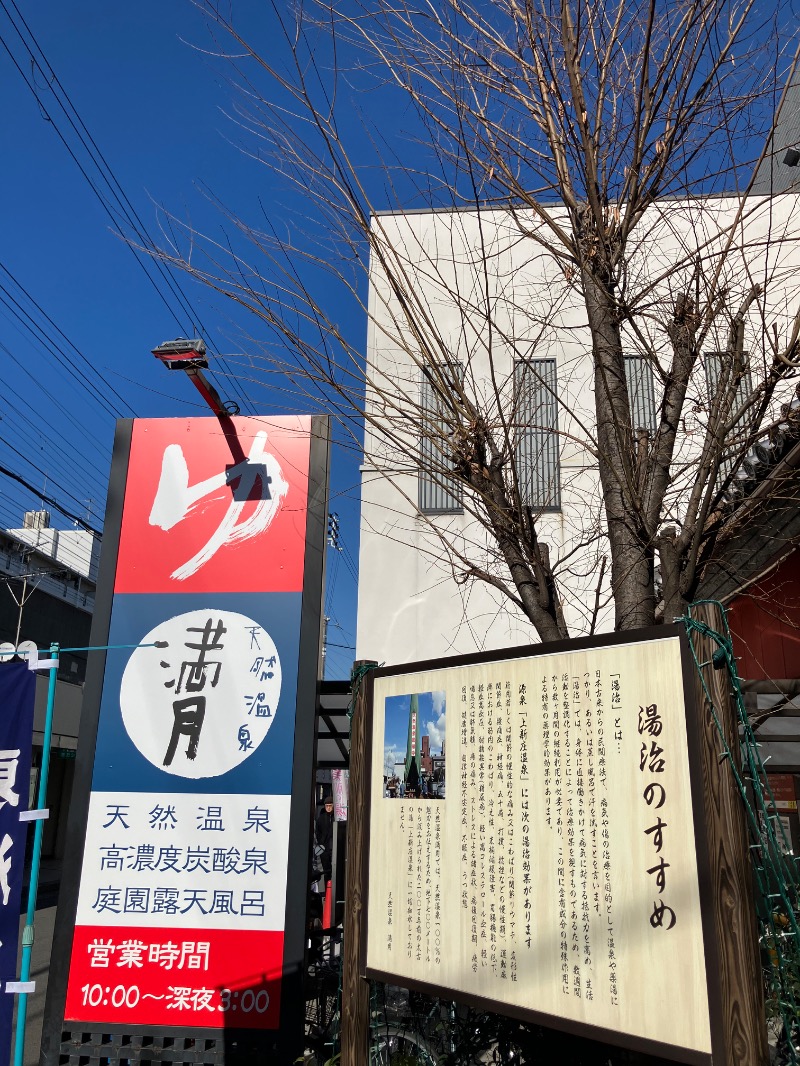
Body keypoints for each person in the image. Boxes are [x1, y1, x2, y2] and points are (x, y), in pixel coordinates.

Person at [315, 795, 334, 882]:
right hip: (324, 848)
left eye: (330, 806)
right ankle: (327, 891)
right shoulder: (321, 818)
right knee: (326, 871)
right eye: (327, 806)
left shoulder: (336, 817)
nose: (328, 808)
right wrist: (321, 843)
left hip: (334, 847)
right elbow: (318, 832)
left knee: (335, 870)